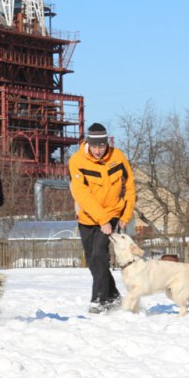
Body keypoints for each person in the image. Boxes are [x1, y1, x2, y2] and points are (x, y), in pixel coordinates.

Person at [67, 122, 136, 314]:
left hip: (112, 213)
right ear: (88, 143)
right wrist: (101, 219)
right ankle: (113, 296)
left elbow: (130, 186)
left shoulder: (118, 157)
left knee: (99, 255)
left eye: (102, 146)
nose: (98, 150)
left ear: (107, 143)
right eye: (95, 146)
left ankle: (98, 300)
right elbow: (82, 194)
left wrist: (126, 215)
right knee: (93, 261)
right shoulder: (76, 161)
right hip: (87, 217)